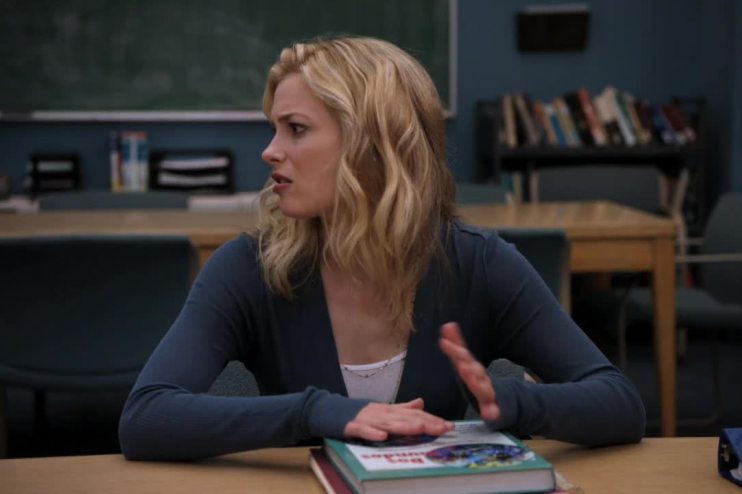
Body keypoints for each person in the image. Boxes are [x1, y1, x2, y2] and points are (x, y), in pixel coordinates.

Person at [118, 36, 645, 461]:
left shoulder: (480, 263)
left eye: (296, 129)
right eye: (274, 128)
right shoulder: (249, 267)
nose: (270, 151)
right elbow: (147, 417)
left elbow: (620, 405)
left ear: (371, 144)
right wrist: (314, 413)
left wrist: (510, 402)